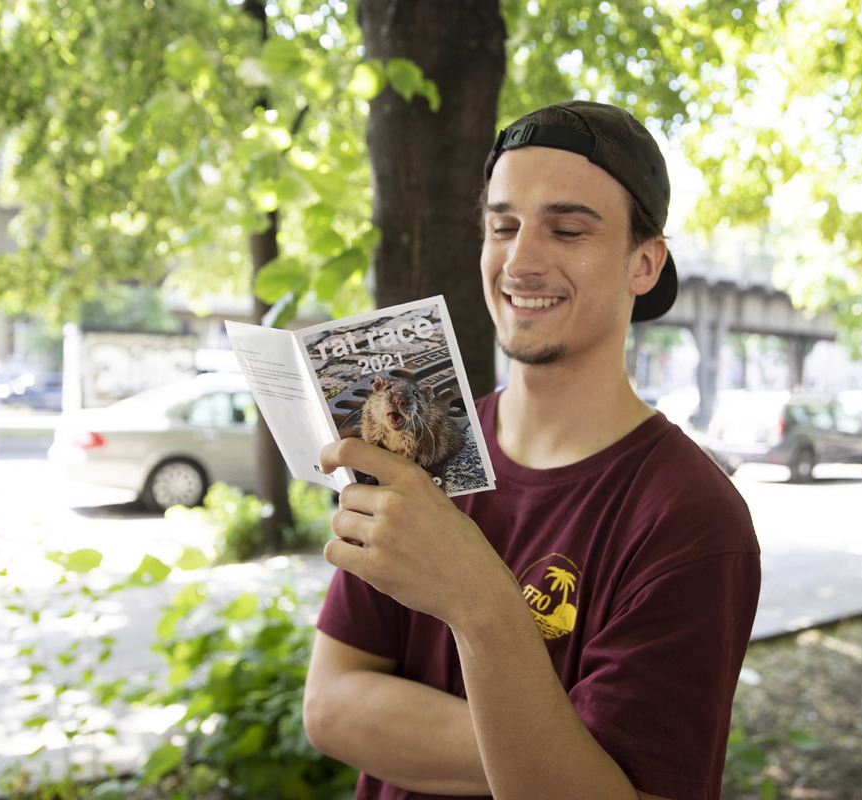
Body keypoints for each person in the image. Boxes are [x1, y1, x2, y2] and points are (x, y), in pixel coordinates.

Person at [303, 100, 762, 800]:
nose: (520, 261)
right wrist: (558, 749)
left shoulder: (692, 520)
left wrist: (481, 607)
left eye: (568, 229)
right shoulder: (421, 451)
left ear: (644, 263)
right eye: (503, 227)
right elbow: (331, 708)